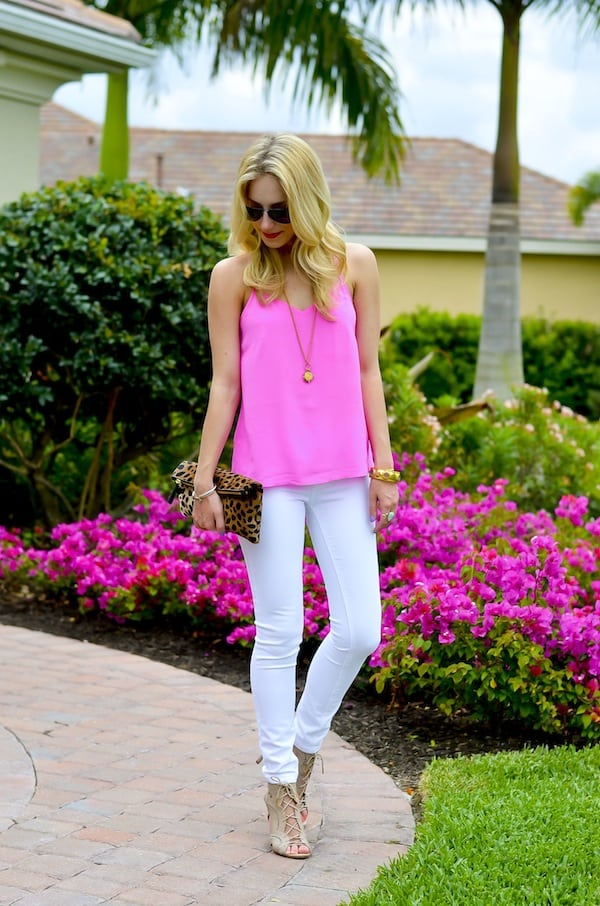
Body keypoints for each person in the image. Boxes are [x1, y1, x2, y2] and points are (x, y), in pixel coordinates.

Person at [192, 133, 399, 859]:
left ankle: (302, 751)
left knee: (361, 630)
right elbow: (226, 384)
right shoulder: (233, 276)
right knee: (280, 631)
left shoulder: (357, 265)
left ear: (307, 202)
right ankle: (281, 787)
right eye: (255, 212)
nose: (267, 225)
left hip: (344, 474)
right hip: (263, 477)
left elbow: (369, 370)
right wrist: (206, 477)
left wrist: (384, 466)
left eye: (279, 210)